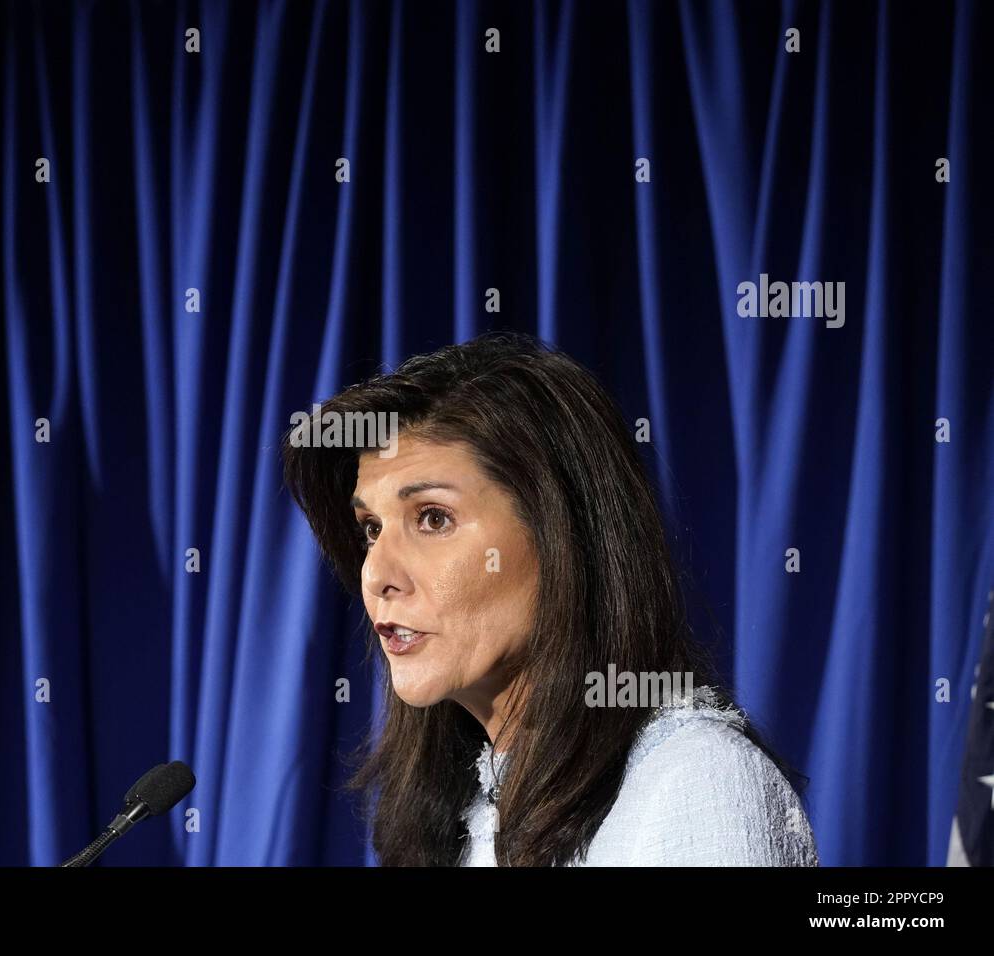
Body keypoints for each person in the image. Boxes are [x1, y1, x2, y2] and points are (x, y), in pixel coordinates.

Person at [281, 331, 818, 866]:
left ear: (563, 534)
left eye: (433, 518)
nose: (375, 574)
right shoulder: (464, 813)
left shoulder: (695, 781)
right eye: (371, 529)